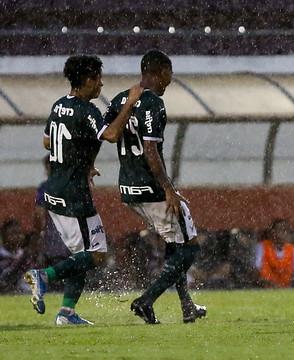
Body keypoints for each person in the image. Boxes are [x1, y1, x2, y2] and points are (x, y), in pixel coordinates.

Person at [24, 55, 143, 325]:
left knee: (82, 255)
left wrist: (82, 163)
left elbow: (47, 141)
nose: (101, 83)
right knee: (97, 254)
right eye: (98, 78)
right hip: (72, 195)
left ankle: (67, 313)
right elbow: (111, 135)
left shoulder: (59, 105)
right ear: (88, 80)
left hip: (54, 190)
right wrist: (131, 103)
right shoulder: (85, 109)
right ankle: (45, 276)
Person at [100, 49, 204, 324]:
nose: (169, 82)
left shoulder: (120, 99)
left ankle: (187, 306)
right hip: (150, 188)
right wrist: (168, 189)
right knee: (190, 247)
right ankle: (146, 300)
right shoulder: (153, 103)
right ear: (158, 72)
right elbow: (150, 150)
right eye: (167, 76)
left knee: (174, 241)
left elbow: (106, 134)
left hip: (128, 188)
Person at [255, 219, 294, 288]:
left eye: (286, 231)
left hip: (285, 290)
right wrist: (266, 283)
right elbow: (255, 271)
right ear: (272, 232)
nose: (283, 233)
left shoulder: (293, 250)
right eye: (280, 230)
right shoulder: (262, 247)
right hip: (266, 290)